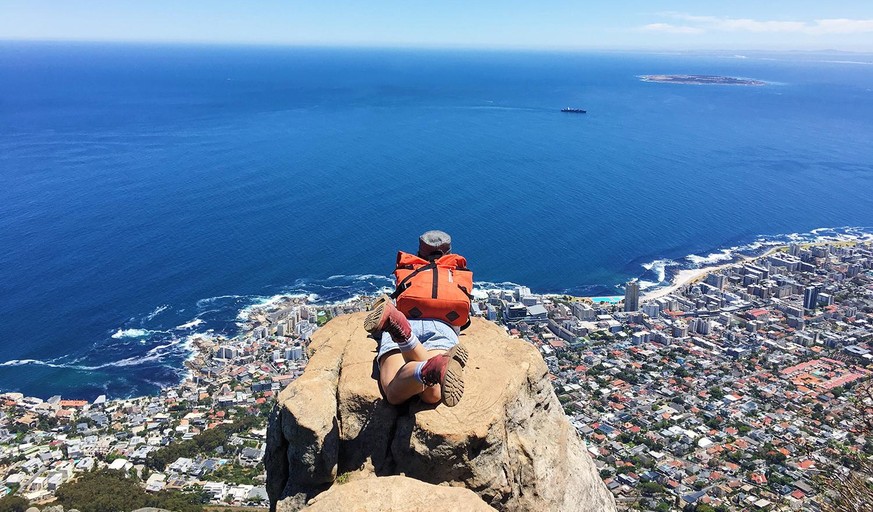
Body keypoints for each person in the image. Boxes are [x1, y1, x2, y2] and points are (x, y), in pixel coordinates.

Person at [364, 230, 468, 407]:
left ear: (420, 252)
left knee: (393, 393)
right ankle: (432, 368)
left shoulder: (409, 269)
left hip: (405, 319)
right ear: (449, 252)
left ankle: (403, 334)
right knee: (433, 395)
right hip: (441, 329)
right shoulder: (456, 273)